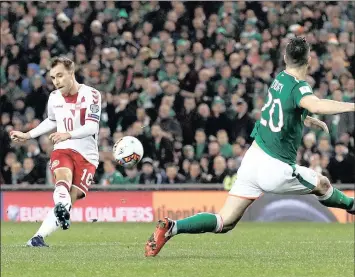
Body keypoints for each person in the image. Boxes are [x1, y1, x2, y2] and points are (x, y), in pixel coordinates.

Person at [144, 37, 355, 257]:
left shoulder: (279, 79)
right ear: (309, 59)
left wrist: (304, 117)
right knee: (322, 184)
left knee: (224, 221)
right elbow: (316, 104)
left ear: (285, 58)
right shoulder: (299, 87)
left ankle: (172, 227)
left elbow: (281, 110)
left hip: (253, 159)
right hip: (275, 167)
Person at [10, 57, 101, 247]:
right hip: (63, 148)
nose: (56, 81)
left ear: (71, 73)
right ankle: (38, 237)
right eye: (53, 78)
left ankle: (41, 233)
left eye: (60, 75)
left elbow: (92, 126)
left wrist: (68, 134)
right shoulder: (54, 97)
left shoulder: (91, 95)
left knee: (71, 197)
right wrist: (29, 135)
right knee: (62, 180)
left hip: (87, 156)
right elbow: (52, 120)